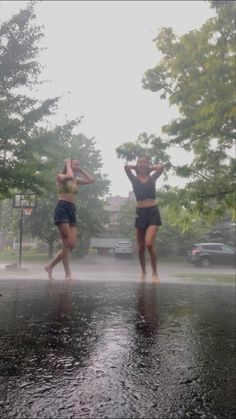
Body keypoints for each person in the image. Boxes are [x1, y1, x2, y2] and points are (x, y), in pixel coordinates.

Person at [44, 158, 95, 280]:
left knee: (71, 245)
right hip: (62, 208)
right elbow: (69, 175)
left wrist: (81, 169)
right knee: (66, 243)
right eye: (75, 164)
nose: (77, 166)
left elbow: (91, 180)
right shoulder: (61, 176)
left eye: (79, 164)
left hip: (72, 210)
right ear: (68, 165)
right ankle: (68, 274)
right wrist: (67, 163)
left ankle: (50, 266)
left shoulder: (75, 180)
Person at [124, 156, 164, 282]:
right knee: (141, 247)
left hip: (153, 211)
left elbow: (161, 167)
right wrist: (138, 168)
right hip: (140, 212)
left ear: (148, 164)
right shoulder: (134, 179)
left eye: (145, 162)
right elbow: (126, 167)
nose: (143, 164)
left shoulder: (152, 178)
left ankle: (155, 273)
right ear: (137, 164)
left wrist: (148, 169)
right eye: (140, 162)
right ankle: (143, 272)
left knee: (149, 243)